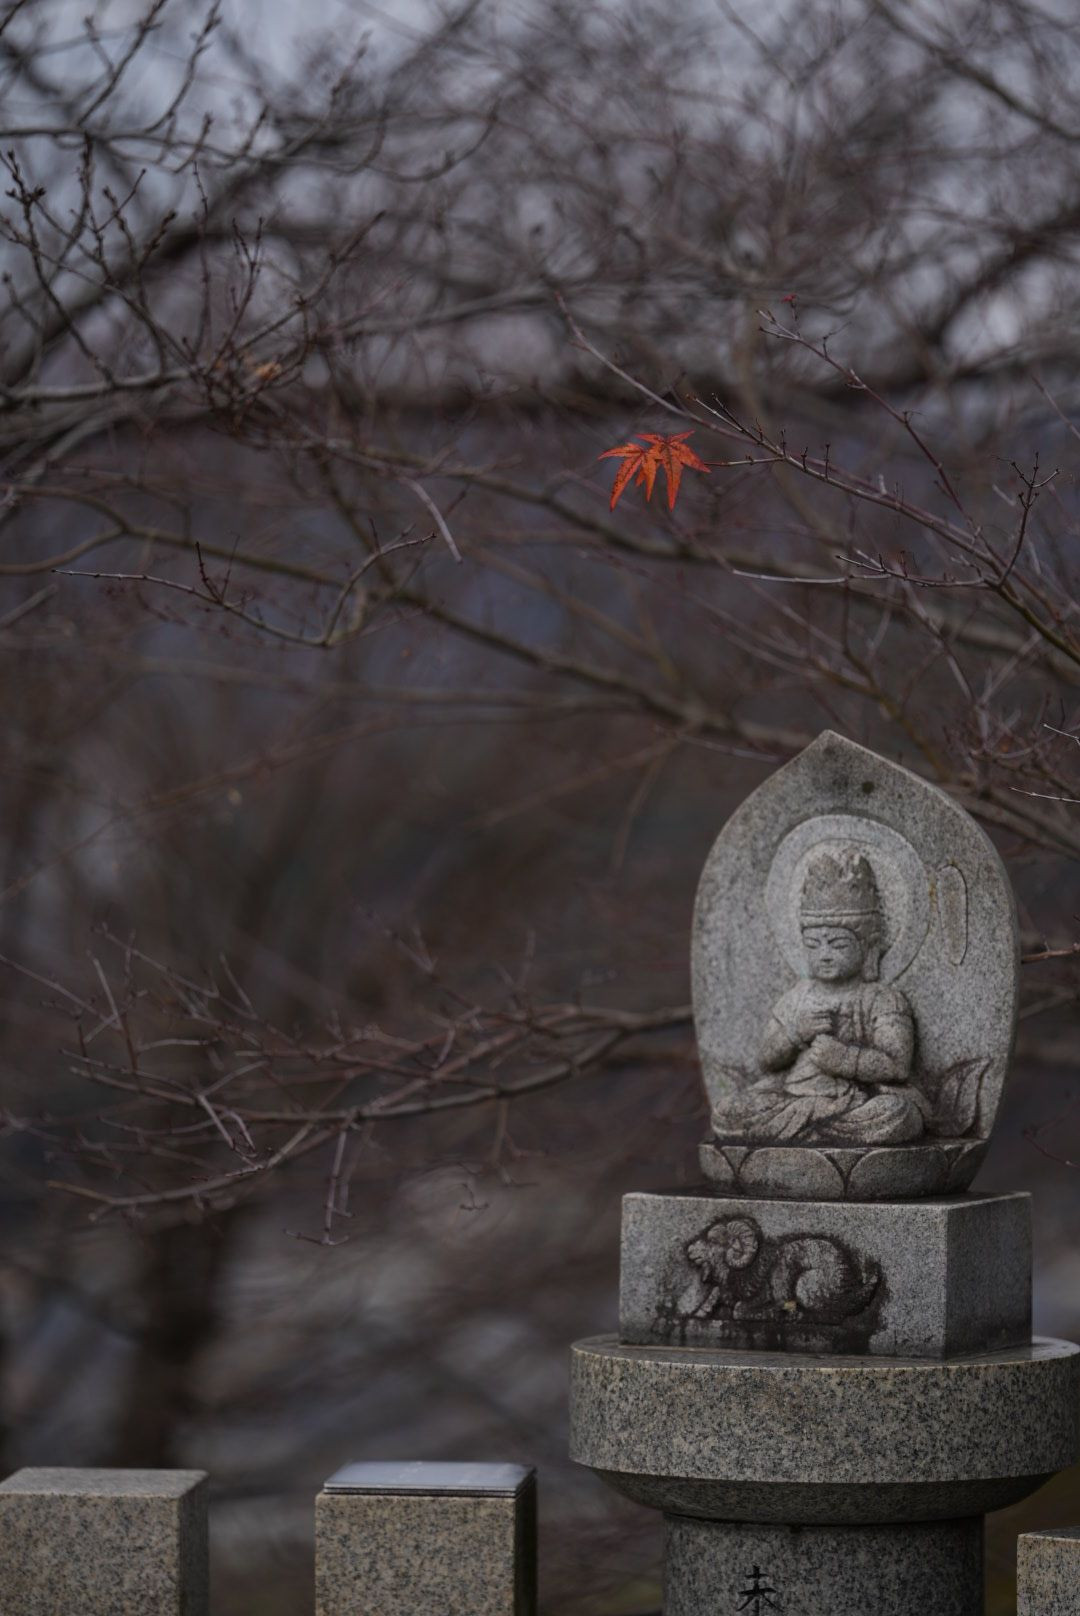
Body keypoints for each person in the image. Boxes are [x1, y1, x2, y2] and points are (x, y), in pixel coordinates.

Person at [712, 847, 927, 1146]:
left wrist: (845, 1059)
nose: (824, 954)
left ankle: (811, 1135)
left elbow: (897, 1064)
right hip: (794, 1098)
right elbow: (766, 1060)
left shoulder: (883, 1000)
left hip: (856, 1102)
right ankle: (815, 1133)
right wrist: (795, 1035)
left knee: (895, 1114)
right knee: (726, 1113)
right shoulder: (795, 998)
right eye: (814, 944)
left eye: (838, 944)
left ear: (868, 947)